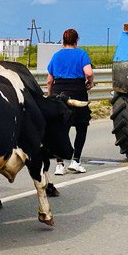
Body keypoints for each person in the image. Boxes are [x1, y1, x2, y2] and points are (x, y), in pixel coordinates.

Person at [46, 28, 93, 174]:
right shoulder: (81, 54)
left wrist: (50, 95)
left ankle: (59, 164)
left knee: (60, 129)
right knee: (81, 126)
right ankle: (76, 161)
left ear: (63, 40)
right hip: (77, 92)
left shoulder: (56, 56)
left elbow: (49, 80)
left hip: (58, 92)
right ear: (76, 40)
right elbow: (88, 72)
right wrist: (90, 83)